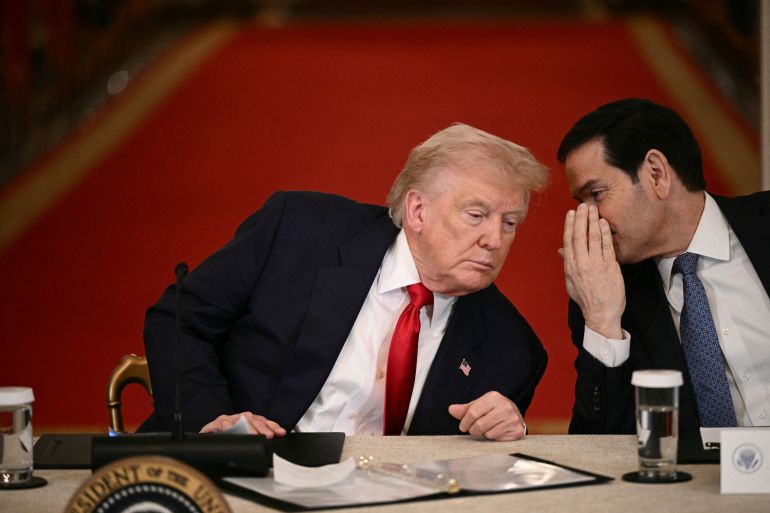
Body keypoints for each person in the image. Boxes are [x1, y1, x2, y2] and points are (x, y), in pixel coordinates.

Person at [139, 123, 549, 441]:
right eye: (476, 216)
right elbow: (178, 319)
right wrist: (212, 421)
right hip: (234, 475)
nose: (495, 240)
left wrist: (509, 432)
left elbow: (473, 475)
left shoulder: (512, 350)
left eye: (510, 222)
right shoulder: (298, 230)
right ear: (418, 211)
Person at [557, 98, 770, 435]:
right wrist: (602, 322)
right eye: (580, 203)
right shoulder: (606, 292)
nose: (588, 217)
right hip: (700, 486)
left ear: (656, 173)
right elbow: (598, 446)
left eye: (596, 194)